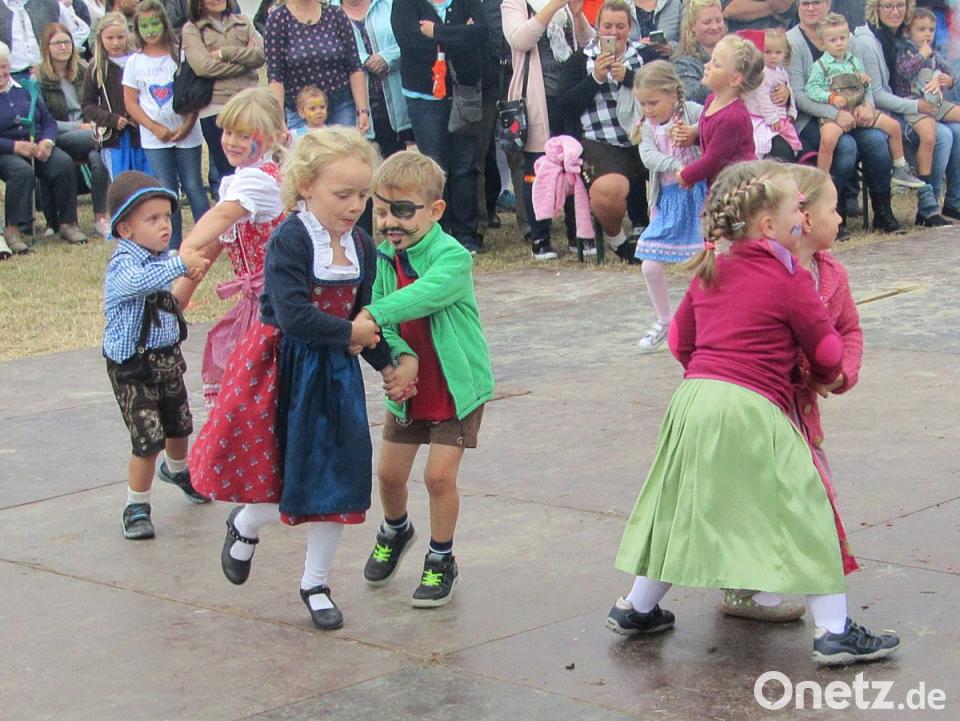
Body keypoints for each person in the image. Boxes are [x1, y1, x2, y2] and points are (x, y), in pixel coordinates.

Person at [606, 159, 902, 666]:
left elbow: (680, 341)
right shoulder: (789, 280)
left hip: (694, 401)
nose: (803, 217)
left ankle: (636, 606)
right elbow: (827, 352)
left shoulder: (711, 269)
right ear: (769, 225)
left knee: (682, 504)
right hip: (753, 405)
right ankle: (834, 632)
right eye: (797, 209)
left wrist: (713, 371)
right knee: (807, 509)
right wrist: (825, 371)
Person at [189, 128, 393, 631]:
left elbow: (363, 314)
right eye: (342, 194)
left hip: (335, 379)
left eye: (362, 195)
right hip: (282, 373)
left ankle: (315, 583)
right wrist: (349, 333)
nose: (355, 206)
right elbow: (294, 315)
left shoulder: (361, 245)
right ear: (306, 186)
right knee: (277, 476)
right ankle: (245, 523)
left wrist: (387, 363)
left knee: (336, 482)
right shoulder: (291, 239)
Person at [359, 149, 494, 608]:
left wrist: (371, 315)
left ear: (435, 210)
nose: (390, 222)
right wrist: (402, 357)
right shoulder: (382, 258)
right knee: (388, 474)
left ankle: (441, 557)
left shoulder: (452, 257)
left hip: (455, 389)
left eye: (403, 210)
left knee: (438, 478)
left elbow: (422, 296)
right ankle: (396, 528)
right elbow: (388, 324)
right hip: (409, 388)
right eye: (381, 210)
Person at [103, 170, 211, 540]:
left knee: (179, 424)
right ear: (125, 230)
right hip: (132, 369)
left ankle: (177, 469)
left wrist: (188, 276)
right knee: (147, 439)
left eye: (167, 216)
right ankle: (136, 506)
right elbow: (138, 284)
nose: (165, 225)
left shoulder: (160, 259)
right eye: (153, 219)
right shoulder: (125, 264)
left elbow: (170, 301)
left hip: (166, 360)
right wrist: (182, 263)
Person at [172, 87, 286, 408]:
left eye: (245, 135)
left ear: (272, 137)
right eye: (228, 132)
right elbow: (212, 248)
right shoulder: (240, 180)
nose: (232, 141)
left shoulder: (260, 180)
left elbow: (221, 217)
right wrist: (176, 302)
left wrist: (186, 245)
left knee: (258, 394)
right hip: (256, 302)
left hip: (276, 301)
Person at [788, 0, 904, 235]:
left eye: (816, 2)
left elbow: (864, 79)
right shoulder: (793, 42)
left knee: (877, 141)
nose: (810, 8)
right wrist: (834, 113)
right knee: (845, 146)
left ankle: (883, 211)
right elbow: (799, 95)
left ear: (828, 4)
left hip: (853, 111)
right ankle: (832, 211)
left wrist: (868, 105)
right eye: (805, 3)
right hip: (813, 117)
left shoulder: (846, 36)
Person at [391, 0, 487, 254]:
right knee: (435, 166)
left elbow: (480, 34)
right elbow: (411, 44)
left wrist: (436, 32)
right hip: (424, 96)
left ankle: (466, 234)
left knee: (465, 166)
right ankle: (439, 232)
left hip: (464, 92)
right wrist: (461, 34)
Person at [502, 0, 596, 260]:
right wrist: (552, 7)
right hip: (538, 98)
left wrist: (577, 15)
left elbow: (589, 43)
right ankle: (540, 237)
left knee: (575, 165)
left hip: (570, 95)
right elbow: (519, 40)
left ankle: (579, 233)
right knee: (537, 167)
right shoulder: (514, 3)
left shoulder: (566, 6)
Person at [558, 0, 649, 262]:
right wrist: (595, 79)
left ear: (630, 28)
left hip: (645, 138)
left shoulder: (646, 56)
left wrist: (629, 78)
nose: (614, 32)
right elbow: (564, 107)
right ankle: (618, 241)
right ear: (597, 28)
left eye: (620, 26)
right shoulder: (578, 61)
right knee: (608, 190)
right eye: (607, 26)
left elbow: (668, 91)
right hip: (601, 141)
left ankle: (666, 234)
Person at [853, 0, 957, 226]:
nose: (895, 11)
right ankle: (927, 206)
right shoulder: (869, 41)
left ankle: (951, 201)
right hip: (885, 111)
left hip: (917, 104)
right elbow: (878, 95)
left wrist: (945, 79)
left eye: (900, 5)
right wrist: (917, 106)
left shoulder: (904, 34)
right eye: (888, 6)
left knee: (955, 131)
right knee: (942, 136)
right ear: (876, 8)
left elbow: (942, 67)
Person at [122, 0, 210, 250]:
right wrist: (154, 127)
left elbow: (194, 94)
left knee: (193, 185)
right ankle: (172, 245)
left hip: (187, 133)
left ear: (164, 23)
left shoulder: (179, 55)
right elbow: (131, 102)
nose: (151, 30)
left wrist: (187, 125)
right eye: (144, 25)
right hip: (155, 139)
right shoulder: (134, 62)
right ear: (137, 29)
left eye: (155, 23)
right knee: (167, 190)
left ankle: (207, 240)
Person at [633, 60, 706, 352]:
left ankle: (704, 320)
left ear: (673, 95)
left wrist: (695, 133)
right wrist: (675, 165)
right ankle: (665, 319)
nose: (648, 109)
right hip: (670, 198)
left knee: (703, 262)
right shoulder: (646, 127)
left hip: (698, 196)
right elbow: (648, 156)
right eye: (643, 104)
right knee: (650, 263)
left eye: (653, 102)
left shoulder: (693, 113)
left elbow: (711, 129)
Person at [804, 13, 923, 186]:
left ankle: (899, 167)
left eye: (843, 38)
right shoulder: (820, 66)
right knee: (828, 139)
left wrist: (864, 85)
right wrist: (830, 97)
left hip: (857, 110)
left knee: (894, 126)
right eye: (833, 40)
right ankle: (822, 178)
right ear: (822, 43)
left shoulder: (854, 62)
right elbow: (811, 89)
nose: (839, 43)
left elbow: (865, 87)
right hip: (835, 114)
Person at [0, 41, 88, 254]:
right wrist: (14, 146)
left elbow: (48, 119)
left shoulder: (25, 89)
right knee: (21, 172)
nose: (2, 73)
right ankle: (14, 229)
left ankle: (67, 223)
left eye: (4, 67)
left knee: (63, 163)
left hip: (36, 145)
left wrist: (47, 142)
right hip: (5, 151)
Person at [38, 23, 110, 238]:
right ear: (47, 47)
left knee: (98, 158)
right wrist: (78, 126)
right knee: (103, 141)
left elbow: (95, 104)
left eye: (67, 42)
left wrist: (92, 123)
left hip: (88, 133)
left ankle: (100, 218)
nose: (64, 47)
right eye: (58, 43)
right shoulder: (39, 78)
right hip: (57, 136)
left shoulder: (84, 71)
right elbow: (43, 120)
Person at [181, 0, 264, 182]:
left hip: (250, 104)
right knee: (230, 174)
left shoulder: (243, 21)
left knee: (258, 167)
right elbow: (204, 67)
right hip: (217, 108)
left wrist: (224, 53)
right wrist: (245, 64)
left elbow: (260, 55)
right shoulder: (192, 29)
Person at [264, 0, 369, 135]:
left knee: (345, 147)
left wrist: (362, 110)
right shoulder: (277, 19)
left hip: (341, 106)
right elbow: (275, 77)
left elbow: (354, 66)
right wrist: (279, 120)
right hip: (301, 112)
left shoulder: (335, 14)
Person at [676, 34, 760, 189]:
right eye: (710, 60)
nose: (706, 66)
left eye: (716, 64)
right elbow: (714, 140)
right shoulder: (711, 100)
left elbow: (714, 159)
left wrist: (686, 176)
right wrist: (693, 136)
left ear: (735, 79)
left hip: (736, 187)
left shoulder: (733, 117)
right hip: (719, 182)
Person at [894, 7, 960, 195]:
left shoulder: (933, 54)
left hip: (935, 103)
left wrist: (948, 80)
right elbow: (904, 71)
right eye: (921, 29)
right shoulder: (904, 50)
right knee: (929, 137)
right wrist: (921, 54)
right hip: (913, 105)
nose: (927, 34)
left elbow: (949, 71)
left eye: (931, 30)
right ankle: (926, 187)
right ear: (908, 31)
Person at [335, 0, 412, 158]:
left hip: (396, 104)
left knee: (394, 164)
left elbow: (411, 37)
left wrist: (387, 58)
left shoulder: (391, 4)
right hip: (351, 108)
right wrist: (363, 60)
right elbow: (329, 50)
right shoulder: (329, 11)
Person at [82, 12, 150, 182]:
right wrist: (111, 119)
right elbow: (88, 105)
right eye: (110, 38)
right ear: (101, 38)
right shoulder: (97, 67)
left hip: (142, 133)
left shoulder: (139, 61)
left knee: (147, 180)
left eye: (120, 37)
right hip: (114, 139)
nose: (115, 43)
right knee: (121, 183)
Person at [742, 28, 803, 160]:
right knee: (772, 148)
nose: (773, 56)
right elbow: (761, 97)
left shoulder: (781, 71)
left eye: (778, 52)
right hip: (761, 119)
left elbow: (789, 89)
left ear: (785, 53)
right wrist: (771, 118)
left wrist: (792, 111)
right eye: (768, 52)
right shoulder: (761, 73)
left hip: (779, 119)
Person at [672, 0, 726, 105]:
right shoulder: (682, 61)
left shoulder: (735, 51)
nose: (715, 27)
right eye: (707, 22)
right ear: (692, 26)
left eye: (718, 20)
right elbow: (691, 94)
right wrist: (726, 77)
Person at [721, 0, 796, 33]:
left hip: (773, 46)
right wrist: (772, 8)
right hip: (739, 44)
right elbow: (729, 11)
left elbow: (785, 6)